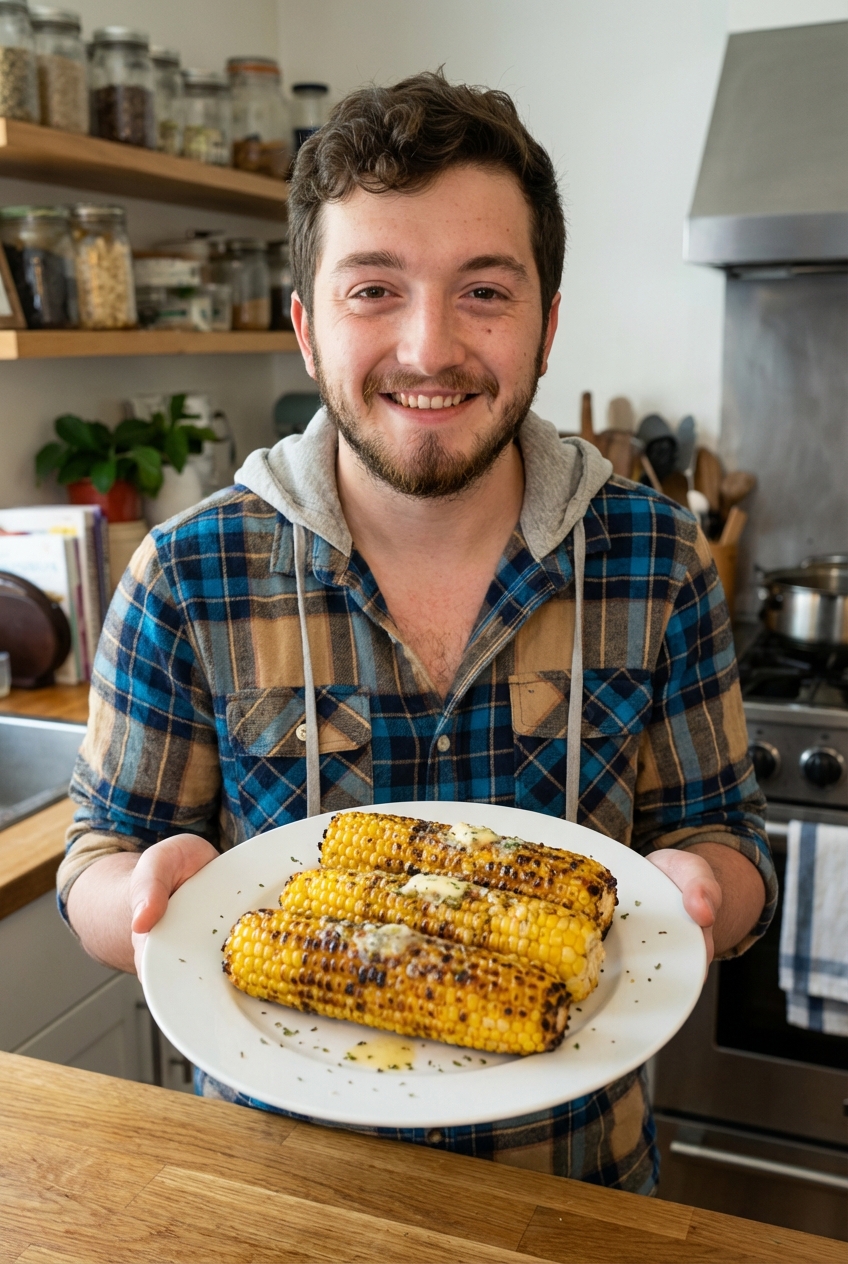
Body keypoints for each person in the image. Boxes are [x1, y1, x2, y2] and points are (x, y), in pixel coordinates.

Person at [60, 70, 776, 1192]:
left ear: (546, 325)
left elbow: (728, 842)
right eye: (373, 290)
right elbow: (96, 861)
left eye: (484, 291)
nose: (429, 348)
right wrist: (146, 893)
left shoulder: (657, 559)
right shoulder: (186, 575)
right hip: (279, 1200)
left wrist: (703, 888)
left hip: (575, 1196)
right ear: (305, 327)